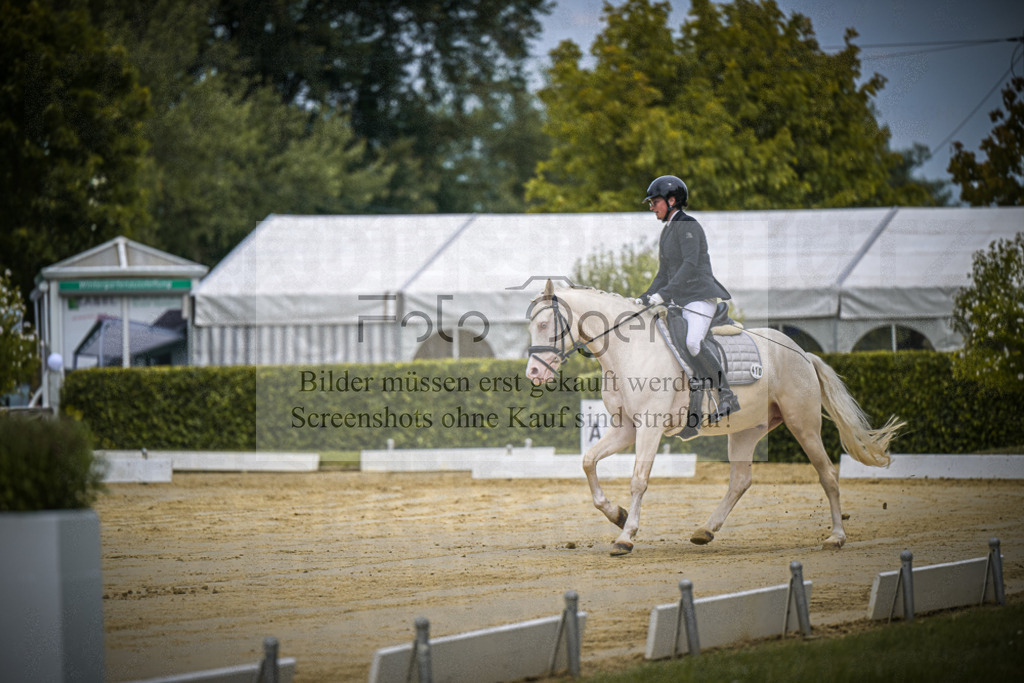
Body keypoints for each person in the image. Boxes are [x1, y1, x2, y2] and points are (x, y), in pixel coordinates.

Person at [637, 174, 740, 423]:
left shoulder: (689, 226)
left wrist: (664, 294)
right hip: (680, 300)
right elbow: (663, 273)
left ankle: (727, 395)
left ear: (672, 200)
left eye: (655, 202)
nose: (652, 207)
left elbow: (690, 265)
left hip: (699, 298)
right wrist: (645, 296)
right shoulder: (668, 231)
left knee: (693, 342)